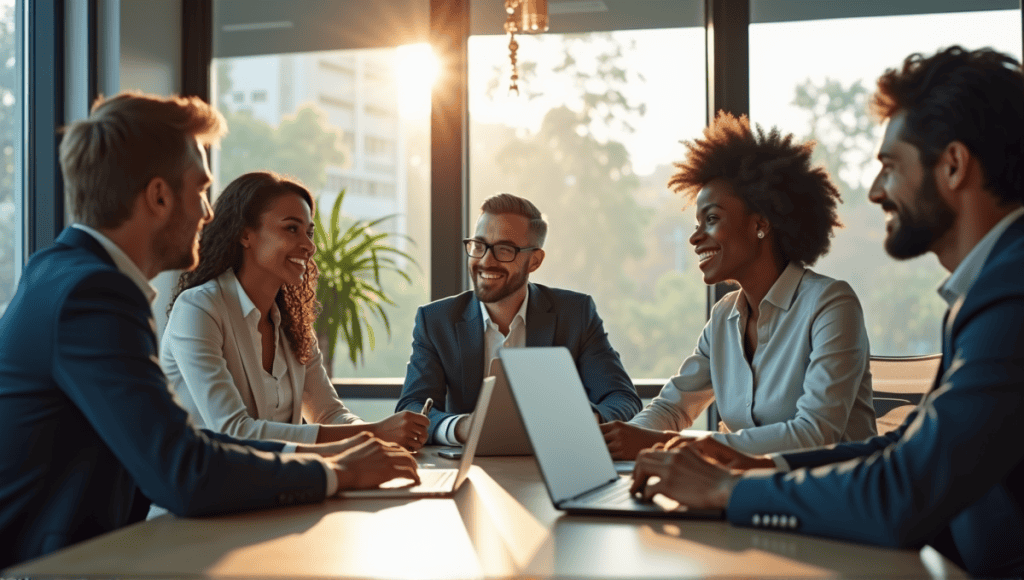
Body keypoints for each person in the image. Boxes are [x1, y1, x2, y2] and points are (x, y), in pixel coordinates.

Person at [630, 46, 1024, 579]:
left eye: (890, 165)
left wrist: (729, 487)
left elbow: (906, 484)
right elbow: (908, 445)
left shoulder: (1010, 291)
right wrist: (753, 465)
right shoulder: (989, 286)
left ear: (953, 165)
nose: (876, 190)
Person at [0, 92, 418, 568]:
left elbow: (190, 448)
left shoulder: (68, 274)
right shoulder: (93, 294)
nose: (207, 212)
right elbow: (182, 470)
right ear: (159, 196)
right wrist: (334, 471)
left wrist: (337, 461)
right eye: (200, 190)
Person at [601, 112, 876, 460]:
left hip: (832, 501)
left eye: (712, 219)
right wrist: (612, 442)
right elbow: (673, 408)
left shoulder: (831, 304)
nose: (695, 237)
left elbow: (816, 434)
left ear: (760, 224)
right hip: (749, 496)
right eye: (697, 222)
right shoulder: (724, 316)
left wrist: (675, 447)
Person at [162, 171, 429, 450]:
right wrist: (374, 433)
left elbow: (329, 414)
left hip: (276, 484)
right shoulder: (198, 309)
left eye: (309, 233)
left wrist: (380, 438)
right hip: (207, 487)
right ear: (245, 235)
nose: (309, 246)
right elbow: (233, 431)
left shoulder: (292, 322)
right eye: (291, 229)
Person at [395, 193, 642, 445]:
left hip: (555, 467)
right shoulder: (436, 321)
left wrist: (583, 421)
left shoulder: (575, 314)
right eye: (479, 246)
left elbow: (621, 398)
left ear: (534, 261)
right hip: (465, 466)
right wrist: (462, 428)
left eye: (504, 250)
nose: (485, 261)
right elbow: (412, 406)